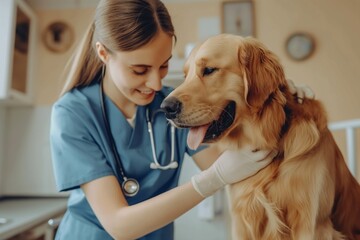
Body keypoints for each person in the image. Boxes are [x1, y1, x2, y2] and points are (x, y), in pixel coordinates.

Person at [49, 0, 314, 239]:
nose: (155, 83)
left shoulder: (173, 106)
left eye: (163, 65)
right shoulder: (73, 113)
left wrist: (276, 95)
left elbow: (243, 164)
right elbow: (120, 225)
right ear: (104, 54)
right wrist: (211, 180)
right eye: (139, 70)